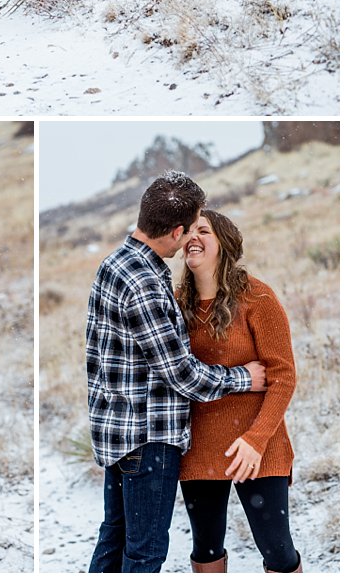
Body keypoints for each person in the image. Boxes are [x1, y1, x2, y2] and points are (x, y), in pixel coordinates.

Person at [85, 172, 267, 573]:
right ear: (177, 231)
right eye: (190, 231)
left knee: (114, 539)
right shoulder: (145, 283)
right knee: (144, 553)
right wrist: (244, 378)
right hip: (148, 439)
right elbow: (181, 374)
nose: (190, 242)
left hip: (117, 432)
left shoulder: (115, 263)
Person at [176, 209, 300, 573]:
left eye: (205, 231)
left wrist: (256, 439)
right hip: (200, 446)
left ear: (224, 243)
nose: (193, 237)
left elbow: (283, 376)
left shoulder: (258, 297)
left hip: (258, 445)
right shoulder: (176, 302)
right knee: (206, 548)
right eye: (189, 232)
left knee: (277, 548)